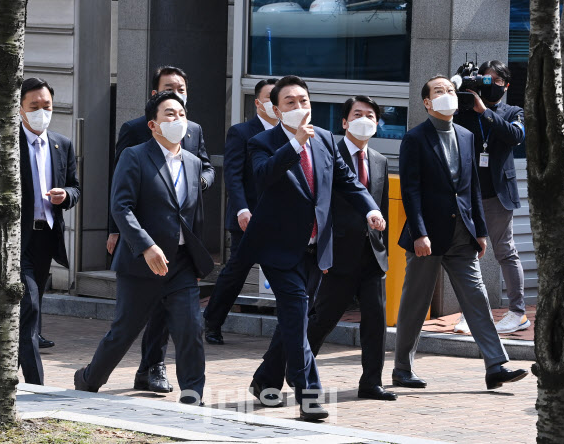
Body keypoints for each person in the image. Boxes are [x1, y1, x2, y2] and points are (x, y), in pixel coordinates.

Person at [239, 76, 386, 421]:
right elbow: (263, 177)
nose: (299, 108)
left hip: (315, 250)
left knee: (296, 320)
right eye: (290, 102)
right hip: (281, 252)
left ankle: (265, 380)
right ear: (276, 110)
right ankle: (310, 397)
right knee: (297, 319)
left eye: (304, 101)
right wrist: (293, 147)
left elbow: (347, 181)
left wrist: (371, 208)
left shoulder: (324, 140)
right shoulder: (262, 142)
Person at [75, 91, 214, 405]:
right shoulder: (135, 156)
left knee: (191, 330)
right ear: (153, 124)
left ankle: (193, 397)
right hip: (141, 265)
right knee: (124, 331)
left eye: (181, 114)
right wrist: (146, 246)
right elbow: (121, 207)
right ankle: (88, 379)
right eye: (168, 114)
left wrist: (194, 260)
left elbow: (194, 217)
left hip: (179, 266)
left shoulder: (193, 164)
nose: (176, 120)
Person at [393, 75, 528, 391]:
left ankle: (496, 365)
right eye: (439, 91)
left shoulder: (466, 136)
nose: (446, 95)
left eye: (450, 90)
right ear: (427, 102)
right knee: (415, 302)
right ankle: (402, 369)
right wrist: (419, 233)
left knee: (477, 298)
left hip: (461, 234)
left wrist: (480, 231)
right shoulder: (415, 139)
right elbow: (411, 191)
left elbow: (472, 188)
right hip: (426, 236)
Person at [0, 77, 81, 384]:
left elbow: (76, 187)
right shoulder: (0, 143)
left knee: (28, 312)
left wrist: (66, 195)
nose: (42, 111)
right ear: (19, 109)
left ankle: (1, 380)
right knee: (28, 308)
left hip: (45, 238)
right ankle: (36, 385)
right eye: (35, 106)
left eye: (47, 106)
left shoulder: (61, 144)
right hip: (12, 239)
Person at [106, 66, 215, 394]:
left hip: (181, 241)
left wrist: (199, 181)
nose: (178, 93)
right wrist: (116, 231)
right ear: (154, 94)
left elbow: (205, 166)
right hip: (145, 236)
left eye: (182, 88)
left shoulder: (193, 129)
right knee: (131, 321)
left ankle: (162, 373)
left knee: (182, 318)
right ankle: (104, 374)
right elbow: (119, 189)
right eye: (170, 87)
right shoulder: (135, 130)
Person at [305, 96, 394, 401]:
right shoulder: (329, 154)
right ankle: (296, 368)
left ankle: (371, 382)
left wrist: (383, 251)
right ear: (344, 122)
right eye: (358, 114)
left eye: (370, 115)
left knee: (376, 321)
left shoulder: (380, 160)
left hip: (371, 256)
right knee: (323, 319)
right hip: (337, 254)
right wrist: (321, 250)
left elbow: (381, 209)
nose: (364, 119)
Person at [453, 60, 528, 334]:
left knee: (505, 252)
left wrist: (484, 111)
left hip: (498, 194)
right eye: (485, 79)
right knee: (467, 255)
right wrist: (457, 85)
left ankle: (518, 313)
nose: (490, 84)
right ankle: (470, 313)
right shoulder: (463, 111)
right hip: (468, 195)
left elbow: (514, 137)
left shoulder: (512, 111)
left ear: (506, 86)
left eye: (496, 80)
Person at [203, 78, 278, 345]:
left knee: (288, 273)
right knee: (236, 271)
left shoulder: (291, 133)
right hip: (249, 217)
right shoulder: (242, 132)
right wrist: (242, 209)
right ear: (257, 103)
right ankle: (212, 322)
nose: (275, 103)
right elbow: (233, 176)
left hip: (281, 218)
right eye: (270, 97)